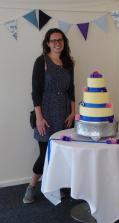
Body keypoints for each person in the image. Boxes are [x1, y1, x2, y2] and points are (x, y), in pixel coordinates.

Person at [23, 28, 75, 203]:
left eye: (60, 40)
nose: (57, 43)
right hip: (46, 111)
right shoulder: (41, 61)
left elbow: (72, 89)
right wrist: (39, 117)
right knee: (45, 153)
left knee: (63, 152)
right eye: (53, 40)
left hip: (65, 112)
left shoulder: (68, 63)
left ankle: (57, 185)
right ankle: (31, 186)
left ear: (64, 42)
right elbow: (36, 92)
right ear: (47, 43)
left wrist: (73, 112)